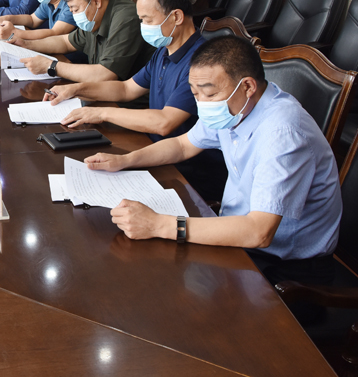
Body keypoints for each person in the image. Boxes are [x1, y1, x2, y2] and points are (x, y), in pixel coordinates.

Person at [85, 36, 342, 291]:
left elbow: (259, 232)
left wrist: (157, 224)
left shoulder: (283, 133)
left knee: (162, 287)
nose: (202, 104)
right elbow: (183, 145)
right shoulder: (234, 107)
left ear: (247, 86)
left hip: (286, 269)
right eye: (195, 93)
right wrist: (125, 160)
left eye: (208, 93)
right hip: (238, 238)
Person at [43, 0, 227, 202]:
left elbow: (164, 122)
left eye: (147, 20)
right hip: (153, 150)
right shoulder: (164, 51)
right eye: (141, 20)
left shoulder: (202, 65)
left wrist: (101, 113)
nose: (143, 27)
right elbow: (126, 88)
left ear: (176, 17)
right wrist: (76, 89)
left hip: (188, 172)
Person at [16, 0, 155, 83]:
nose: (74, 15)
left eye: (76, 9)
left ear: (96, 1)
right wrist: (26, 44)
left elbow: (106, 74)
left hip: (129, 101)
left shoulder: (125, 18)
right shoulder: (94, 18)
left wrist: (51, 66)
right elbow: (65, 42)